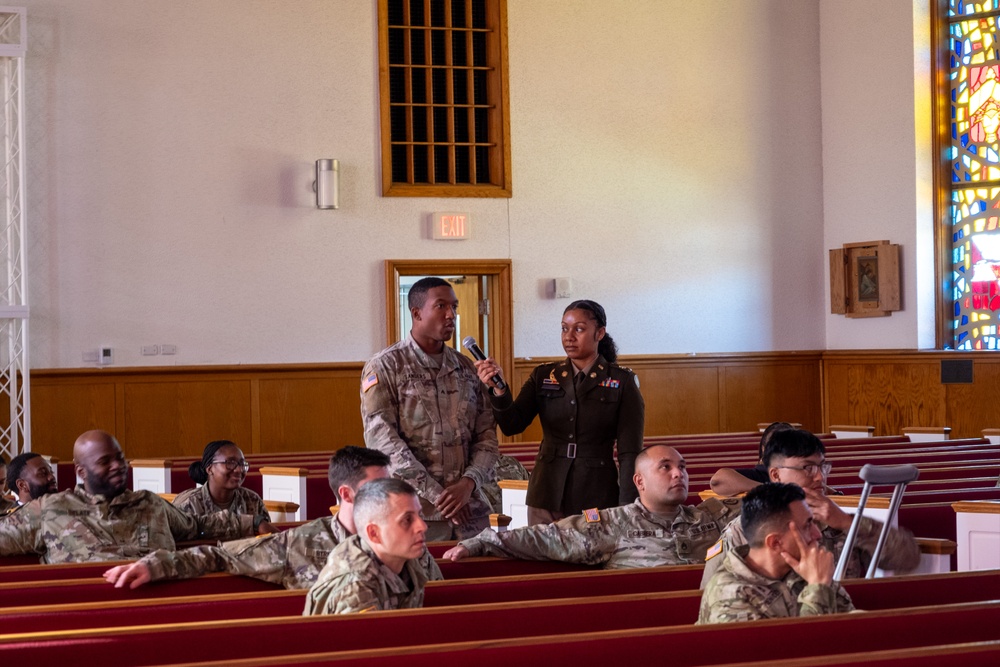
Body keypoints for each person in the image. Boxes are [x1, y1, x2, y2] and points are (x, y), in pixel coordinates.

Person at [104, 446, 436, 590]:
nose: (389, 495)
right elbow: (220, 555)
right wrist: (155, 565)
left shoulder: (407, 539)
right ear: (347, 495)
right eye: (377, 487)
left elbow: (438, 594)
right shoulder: (300, 543)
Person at [473, 299, 644, 525]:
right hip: (546, 490)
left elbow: (629, 452)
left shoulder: (621, 381)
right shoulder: (544, 376)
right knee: (543, 555)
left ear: (600, 333)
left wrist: (627, 507)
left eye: (579, 329)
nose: (569, 336)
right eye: (564, 328)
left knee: (589, 553)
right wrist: (500, 390)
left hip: (595, 490)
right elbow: (512, 425)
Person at [443, 444, 741, 568]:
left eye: (683, 467)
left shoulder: (711, 516)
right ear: (639, 481)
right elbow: (546, 537)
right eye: (665, 467)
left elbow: (771, 505)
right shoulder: (613, 524)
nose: (679, 473)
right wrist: (482, 541)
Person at [361, 276, 499, 541]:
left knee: (479, 581)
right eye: (441, 306)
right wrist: (440, 497)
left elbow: (487, 437)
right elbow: (383, 443)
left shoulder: (466, 368)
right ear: (416, 313)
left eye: (455, 307)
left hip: (470, 510)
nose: (451, 315)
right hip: (413, 511)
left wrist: (468, 483)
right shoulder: (386, 367)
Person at [0, 430, 267, 564]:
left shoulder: (148, 503)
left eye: (119, 458)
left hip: (161, 612)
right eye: (105, 462)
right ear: (81, 471)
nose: (117, 466)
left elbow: (196, 524)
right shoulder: (51, 509)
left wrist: (252, 523)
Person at [700, 429, 920, 587]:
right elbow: (711, 594)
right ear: (775, 475)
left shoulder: (838, 520)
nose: (819, 476)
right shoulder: (747, 528)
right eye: (807, 468)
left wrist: (846, 522)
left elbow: (907, 558)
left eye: (823, 466)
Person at [698, 482, 855, 623]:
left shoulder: (802, 566)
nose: (817, 534)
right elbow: (797, 650)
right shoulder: (729, 594)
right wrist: (818, 587)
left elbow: (850, 624)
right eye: (807, 526)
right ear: (776, 543)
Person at [303, 478, 443, 615]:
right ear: (374, 533)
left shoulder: (407, 558)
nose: (422, 526)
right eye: (407, 520)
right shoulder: (355, 587)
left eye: (419, 515)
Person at [172, 440, 270, 526]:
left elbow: (267, 539)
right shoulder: (188, 505)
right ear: (210, 469)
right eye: (230, 463)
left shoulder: (252, 500)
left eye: (242, 464)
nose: (239, 469)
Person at [709, 422, 795, 497]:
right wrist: (769, 490)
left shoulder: (803, 473)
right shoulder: (759, 475)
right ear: (764, 450)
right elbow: (718, 481)